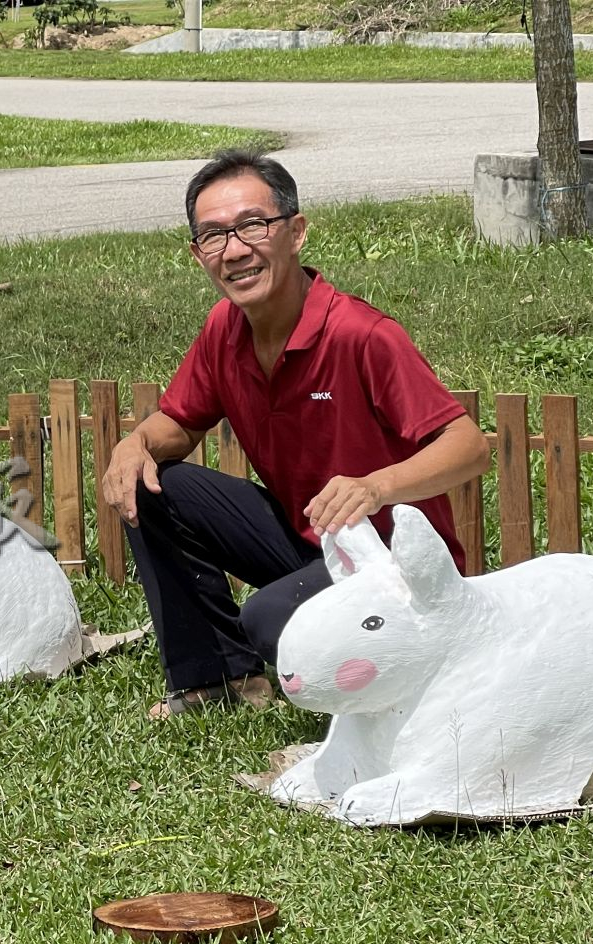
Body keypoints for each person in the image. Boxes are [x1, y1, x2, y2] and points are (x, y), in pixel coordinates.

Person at [99, 149, 490, 719]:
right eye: (213, 236)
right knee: (158, 486)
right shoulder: (223, 329)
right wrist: (132, 445)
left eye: (252, 226)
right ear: (197, 253)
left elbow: (469, 447)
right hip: (308, 543)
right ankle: (217, 681)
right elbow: (179, 424)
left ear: (295, 232)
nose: (234, 250)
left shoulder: (361, 334)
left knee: (269, 620)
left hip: (392, 567)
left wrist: (375, 488)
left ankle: (400, 668)